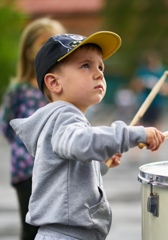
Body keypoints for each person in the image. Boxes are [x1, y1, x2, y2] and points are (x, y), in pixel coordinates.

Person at [9, 31, 165, 240]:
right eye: (86, 66)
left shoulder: (66, 120)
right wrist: (134, 134)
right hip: (66, 234)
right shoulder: (64, 116)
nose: (99, 73)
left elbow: (70, 169)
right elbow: (80, 144)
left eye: (101, 67)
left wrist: (101, 163)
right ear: (54, 83)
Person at [0, 18, 66, 240]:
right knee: (31, 229)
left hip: (57, 169)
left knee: (57, 227)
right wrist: (27, 150)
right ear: (29, 52)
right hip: (27, 171)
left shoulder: (63, 89)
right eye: (44, 43)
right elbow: (8, 126)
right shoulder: (18, 90)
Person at [131, 50, 168, 128]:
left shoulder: (163, 71)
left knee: (156, 126)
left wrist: (163, 88)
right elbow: (134, 86)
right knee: (141, 126)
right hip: (144, 102)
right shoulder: (142, 71)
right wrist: (143, 83)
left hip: (158, 103)